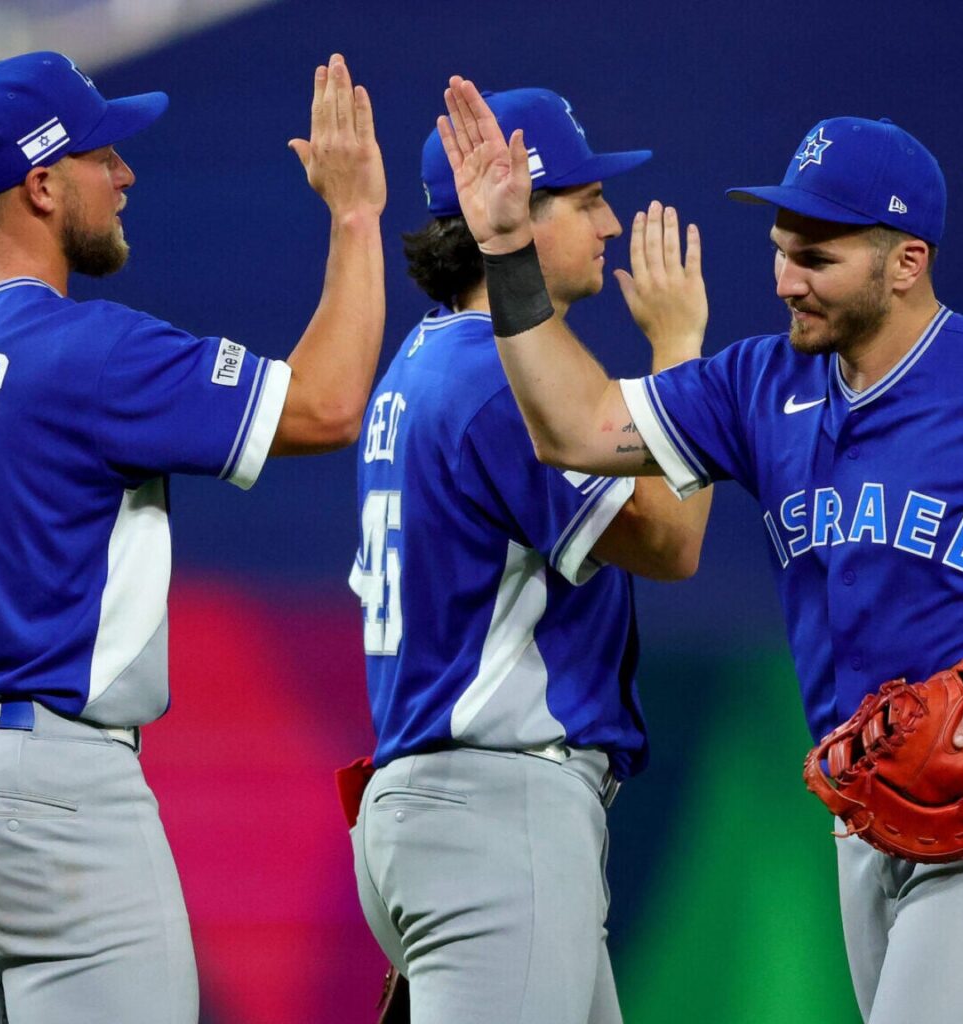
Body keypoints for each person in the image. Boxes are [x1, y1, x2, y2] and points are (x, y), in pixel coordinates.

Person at [435, 78, 963, 1024]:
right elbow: (575, 428)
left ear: (905, 263)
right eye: (780, 253)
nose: (784, 281)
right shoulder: (757, 384)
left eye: (814, 258)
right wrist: (507, 254)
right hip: (869, 811)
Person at [0, 51, 387, 1022]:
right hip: (39, 783)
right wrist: (357, 214)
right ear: (41, 184)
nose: (125, 175)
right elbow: (326, 406)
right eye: (101, 155)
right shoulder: (88, 349)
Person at [347, 87, 711, 1024]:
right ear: (511, 214)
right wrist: (679, 352)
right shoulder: (488, 377)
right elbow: (669, 540)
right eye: (584, 200)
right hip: (493, 812)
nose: (612, 222)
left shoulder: (422, 366)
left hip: (445, 807)